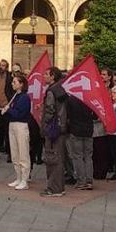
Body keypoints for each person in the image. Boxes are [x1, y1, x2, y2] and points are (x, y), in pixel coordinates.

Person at [41, 67, 68, 198]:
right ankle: (59, 187)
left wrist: (45, 125)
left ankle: (54, 188)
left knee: (52, 158)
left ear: (53, 77)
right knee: (59, 158)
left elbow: (50, 110)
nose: (44, 76)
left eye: (46, 74)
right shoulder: (60, 89)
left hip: (53, 129)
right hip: (60, 127)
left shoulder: (52, 91)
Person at [5, 74, 33, 190]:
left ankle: (25, 180)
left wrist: (9, 110)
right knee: (15, 152)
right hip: (12, 124)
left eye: (15, 82)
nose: (12, 84)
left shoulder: (24, 97)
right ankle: (18, 177)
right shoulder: (15, 96)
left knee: (23, 153)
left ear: (21, 84)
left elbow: (20, 113)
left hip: (21, 125)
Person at [66, 87, 95, 191]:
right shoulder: (89, 98)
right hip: (88, 130)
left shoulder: (72, 99)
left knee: (77, 156)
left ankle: (81, 181)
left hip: (76, 130)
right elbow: (95, 115)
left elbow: (67, 115)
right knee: (88, 156)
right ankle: (89, 180)